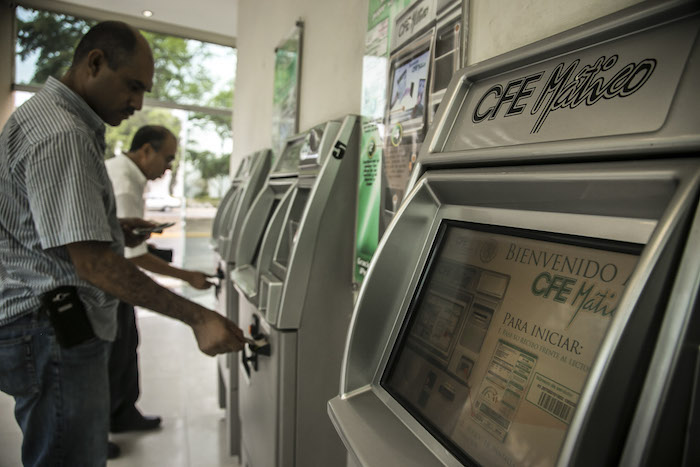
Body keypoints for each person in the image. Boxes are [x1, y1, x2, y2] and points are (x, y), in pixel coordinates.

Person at [0, 21, 245, 467]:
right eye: (132, 86)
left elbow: (41, 225)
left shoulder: (46, 117)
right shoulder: (63, 134)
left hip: (41, 320)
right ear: (95, 63)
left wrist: (110, 227)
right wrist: (196, 316)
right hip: (54, 324)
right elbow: (93, 264)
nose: (138, 103)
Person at [105, 125, 212, 435]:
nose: (168, 168)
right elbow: (133, 255)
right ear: (145, 150)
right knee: (117, 352)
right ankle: (108, 421)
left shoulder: (118, 170)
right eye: (167, 158)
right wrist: (188, 277)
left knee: (124, 346)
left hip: (109, 279)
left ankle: (121, 413)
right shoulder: (125, 183)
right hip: (112, 283)